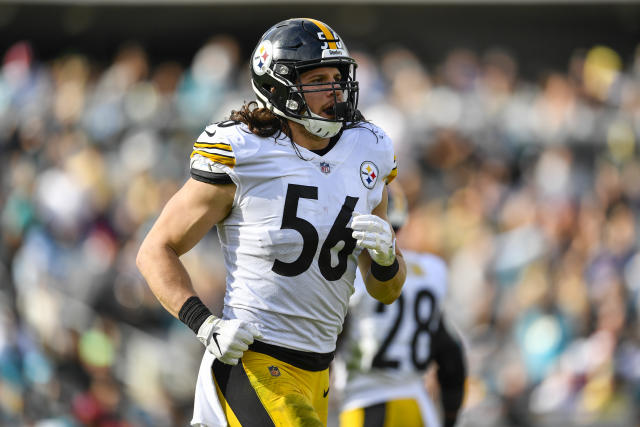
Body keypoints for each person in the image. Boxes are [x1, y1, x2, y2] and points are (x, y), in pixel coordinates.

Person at [136, 18, 406, 427]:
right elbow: (155, 249)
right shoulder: (244, 151)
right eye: (318, 79)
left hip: (318, 372)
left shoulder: (369, 148)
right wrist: (203, 323)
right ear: (281, 86)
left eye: (338, 77)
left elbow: (385, 290)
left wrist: (386, 257)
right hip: (253, 361)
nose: (334, 90)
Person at [337, 184, 466, 427]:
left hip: (365, 405)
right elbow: (451, 355)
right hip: (417, 407)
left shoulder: (348, 272)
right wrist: (450, 417)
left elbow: (328, 343)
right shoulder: (430, 270)